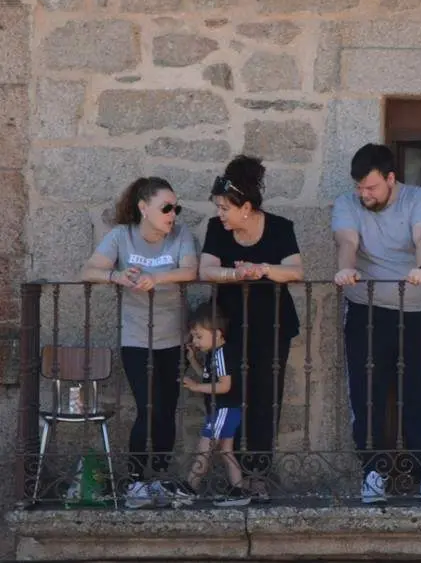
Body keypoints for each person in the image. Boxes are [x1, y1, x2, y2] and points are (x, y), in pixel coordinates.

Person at [331, 143, 421, 504]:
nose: (364, 194)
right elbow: (347, 241)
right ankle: (373, 472)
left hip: (414, 309)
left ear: (391, 179)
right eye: (360, 188)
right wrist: (345, 267)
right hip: (366, 308)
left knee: (419, 394)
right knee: (367, 394)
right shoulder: (347, 203)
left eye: (371, 187)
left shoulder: (418, 198)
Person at [79, 176, 197, 509]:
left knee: (166, 410)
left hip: (173, 339)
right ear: (144, 208)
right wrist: (116, 276)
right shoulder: (122, 236)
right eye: (166, 207)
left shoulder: (181, 235)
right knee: (148, 408)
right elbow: (89, 270)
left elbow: (190, 270)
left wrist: (156, 277)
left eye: (176, 207)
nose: (172, 214)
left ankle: (158, 477)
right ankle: (134, 481)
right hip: (136, 339)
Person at [199, 155, 303, 503]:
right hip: (228, 329)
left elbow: (295, 270)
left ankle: (258, 474)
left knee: (264, 400)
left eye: (224, 207)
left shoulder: (280, 227)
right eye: (217, 207)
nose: (220, 214)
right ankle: (233, 477)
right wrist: (236, 274)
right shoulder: (217, 230)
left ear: (245, 207)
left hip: (272, 327)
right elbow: (207, 270)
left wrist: (261, 269)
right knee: (229, 398)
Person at [172, 302, 251, 508]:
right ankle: (239, 490)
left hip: (224, 409)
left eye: (199, 336)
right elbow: (209, 378)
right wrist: (195, 361)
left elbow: (224, 385)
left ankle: (189, 488)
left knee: (204, 448)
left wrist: (197, 387)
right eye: (194, 337)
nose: (195, 341)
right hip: (223, 410)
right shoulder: (213, 354)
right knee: (226, 451)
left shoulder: (222, 354)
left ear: (216, 333)